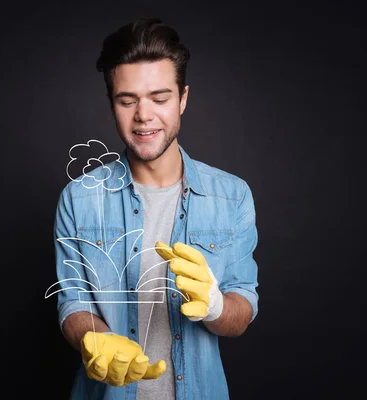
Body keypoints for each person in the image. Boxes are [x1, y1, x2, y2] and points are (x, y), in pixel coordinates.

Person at [52, 16, 259, 399]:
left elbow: (241, 311)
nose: (144, 115)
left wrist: (214, 305)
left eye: (160, 99)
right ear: (112, 104)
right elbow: (73, 304)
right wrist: (93, 338)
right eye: (127, 100)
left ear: (182, 98)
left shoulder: (233, 196)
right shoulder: (79, 199)